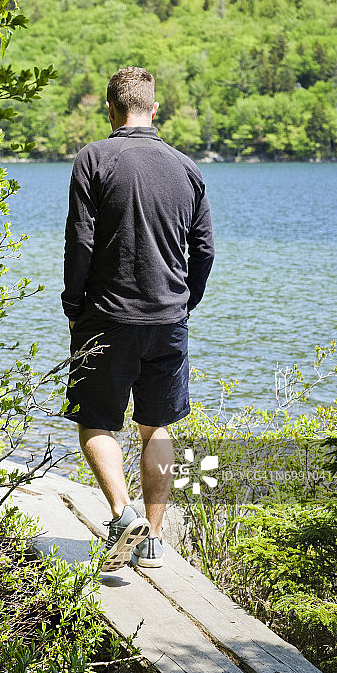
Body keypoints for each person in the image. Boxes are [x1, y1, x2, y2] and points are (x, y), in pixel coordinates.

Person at [61, 66, 214, 572]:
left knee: (96, 421)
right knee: (157, 427)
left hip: (107, 316)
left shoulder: (94, 158)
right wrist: (183, 304)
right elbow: (204, 251)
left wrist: (73, 306)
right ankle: (154, 541)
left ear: (110, 109)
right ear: (154, 109)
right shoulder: (187, 168)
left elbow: (81, 241)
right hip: (169, 319)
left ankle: (121, 514)